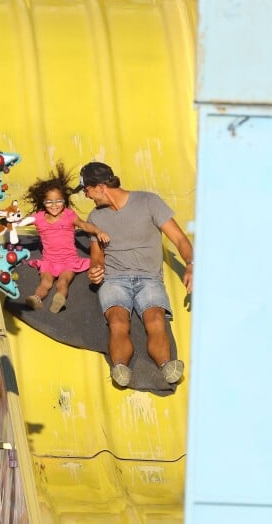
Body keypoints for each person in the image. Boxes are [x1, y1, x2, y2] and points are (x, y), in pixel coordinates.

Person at [74, 161, 193, 387]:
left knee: (155, 319)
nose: (87, 196)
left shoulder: (148, 202)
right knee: (118, 322)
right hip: (114, 280)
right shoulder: (96, 218)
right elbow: (97, 255)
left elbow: (179, 238)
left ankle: (167, 365)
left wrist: (190, 264)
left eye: (87, 190)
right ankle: (120, 367)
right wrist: (95, 269)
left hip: (149, 278)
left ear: (100, 187)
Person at [23, 162, 110, 313]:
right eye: (49, 202)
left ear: (64, 201)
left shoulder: (69, 215)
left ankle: (59, 299)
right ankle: (36, 298)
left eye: (59, 201)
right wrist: (9, 222)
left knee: (63, 282)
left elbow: (84, 225)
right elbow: (21, 221)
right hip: (49, 261)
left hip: (69, 261)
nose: (54, 205)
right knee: (45, 282)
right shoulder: (39, 218)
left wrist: (97, 231)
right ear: (43, 203)